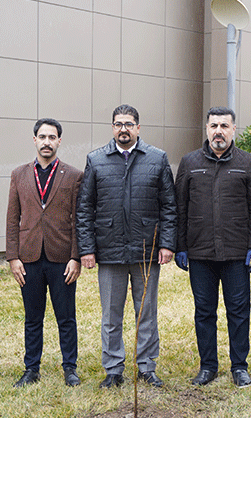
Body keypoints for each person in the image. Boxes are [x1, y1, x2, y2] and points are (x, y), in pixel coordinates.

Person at [76, 104, 177, 389]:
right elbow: (84, 208)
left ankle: (146, 366)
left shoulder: (157, 158)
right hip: (109, 250)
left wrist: (166, 243)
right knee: (111, 316)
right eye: (119, 124)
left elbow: (169, 206)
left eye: (129, 124)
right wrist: (87, 249)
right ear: (112, 128)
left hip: (147, 249)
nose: (124, 129)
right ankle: (113, 369)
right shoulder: (96, 160)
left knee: (146, 313)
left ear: (138, 128)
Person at [174, 107, 251, 388]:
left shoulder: (248, 163)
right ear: (207, 129)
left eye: (224, 126)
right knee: (204, 311)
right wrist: (181, 246)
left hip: (237, 254)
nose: (218, 131)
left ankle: (239, 366)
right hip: (200, 253)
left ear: (234, 129)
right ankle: (208, 366)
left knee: (239, 311)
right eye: (214, 126)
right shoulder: (189, 162)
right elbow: (180, 207)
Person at [5, 118, 83, 388]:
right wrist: (13, 257)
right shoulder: (19, 174)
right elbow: (12, 218)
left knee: (66, 318)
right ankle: (31, 369)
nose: (47, 142)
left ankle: (70, 368)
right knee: (32, 318)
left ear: (59, 141)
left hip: (62, 258)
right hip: (29, 258)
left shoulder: (74, 175)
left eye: (52, 137)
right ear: (34, 140)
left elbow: (79, 219)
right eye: (42, 137)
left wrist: (76, 257)